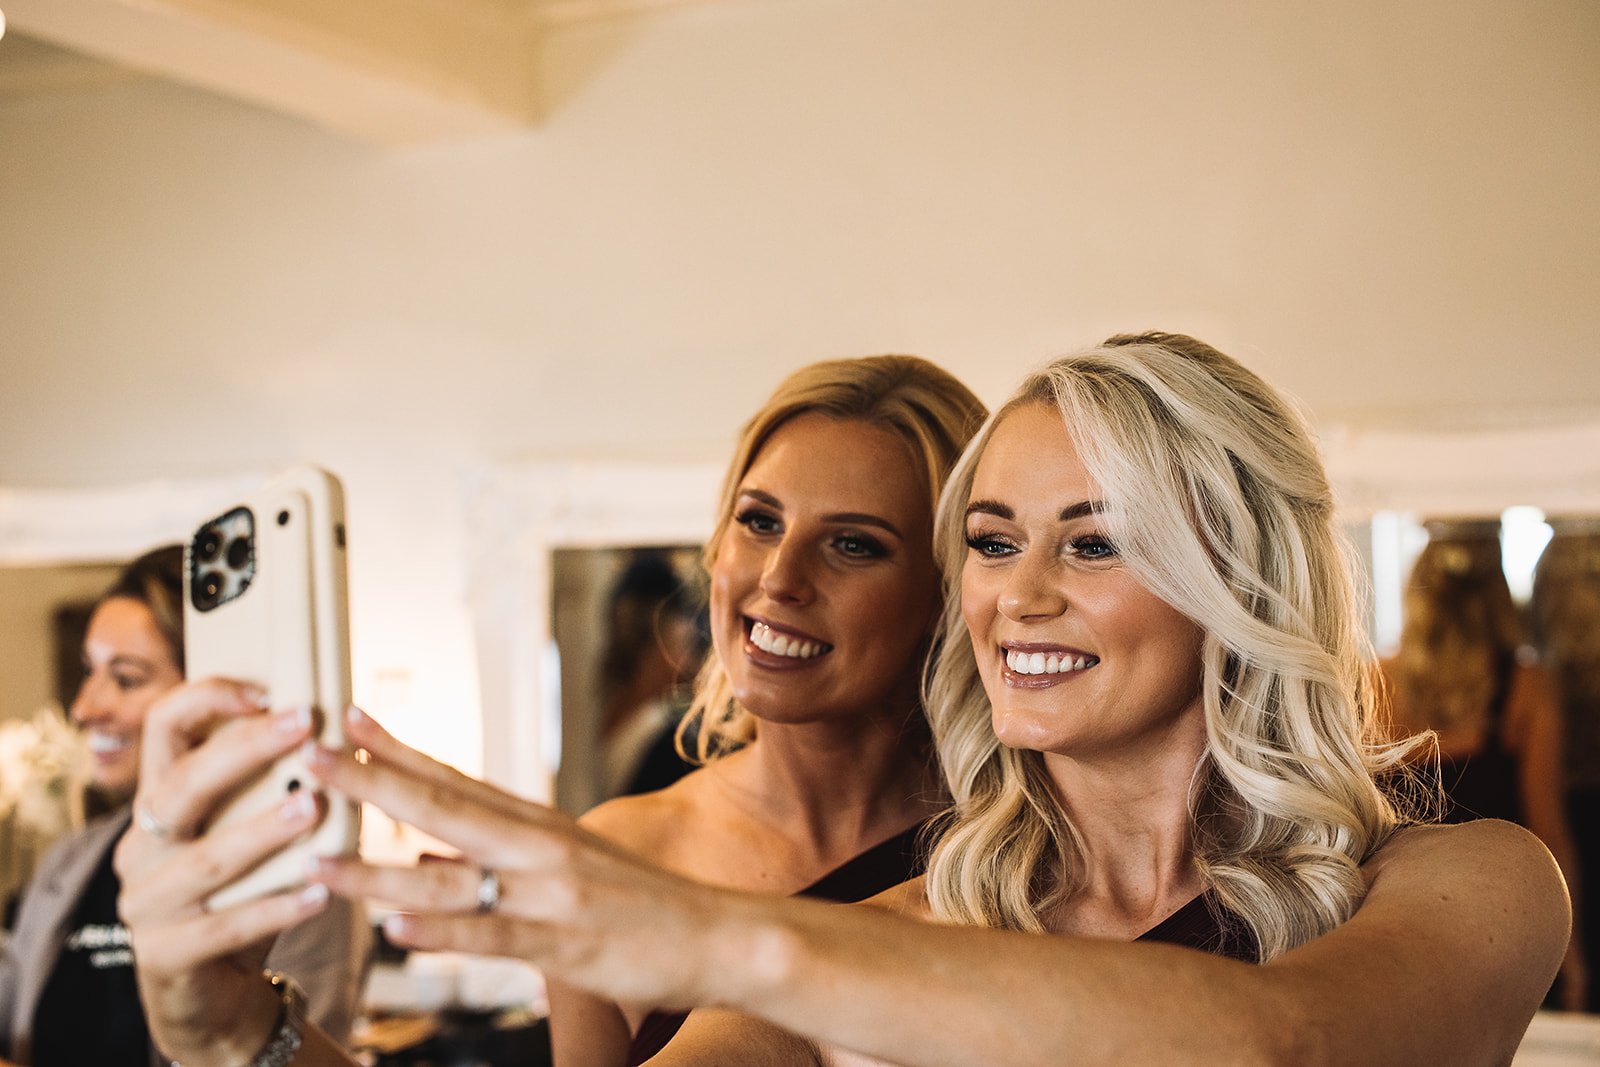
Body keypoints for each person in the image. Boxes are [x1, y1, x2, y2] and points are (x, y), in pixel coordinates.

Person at [119, 334, 1569, 1067]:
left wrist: (707, 933)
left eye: (1097, 536)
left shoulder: (1472, 880)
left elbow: (1281, 1047)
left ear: (1234, 576)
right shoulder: (891, 932)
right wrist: (225, 1028)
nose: (1022, 589)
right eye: (993, 537)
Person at [0, 546, 371, 1066]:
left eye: (126, 679)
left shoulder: (297, 870)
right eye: (90, 671)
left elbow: (295, 1048)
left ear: (212, 693)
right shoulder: (70, 859)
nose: (84, 708)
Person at [1381, 525, 1584, 1008]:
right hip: (1499, 936)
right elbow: (1548, 830)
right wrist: (1572, 957)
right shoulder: (1528, 689)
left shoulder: (1371, 678)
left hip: (1390, 932)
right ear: (1500, 596)